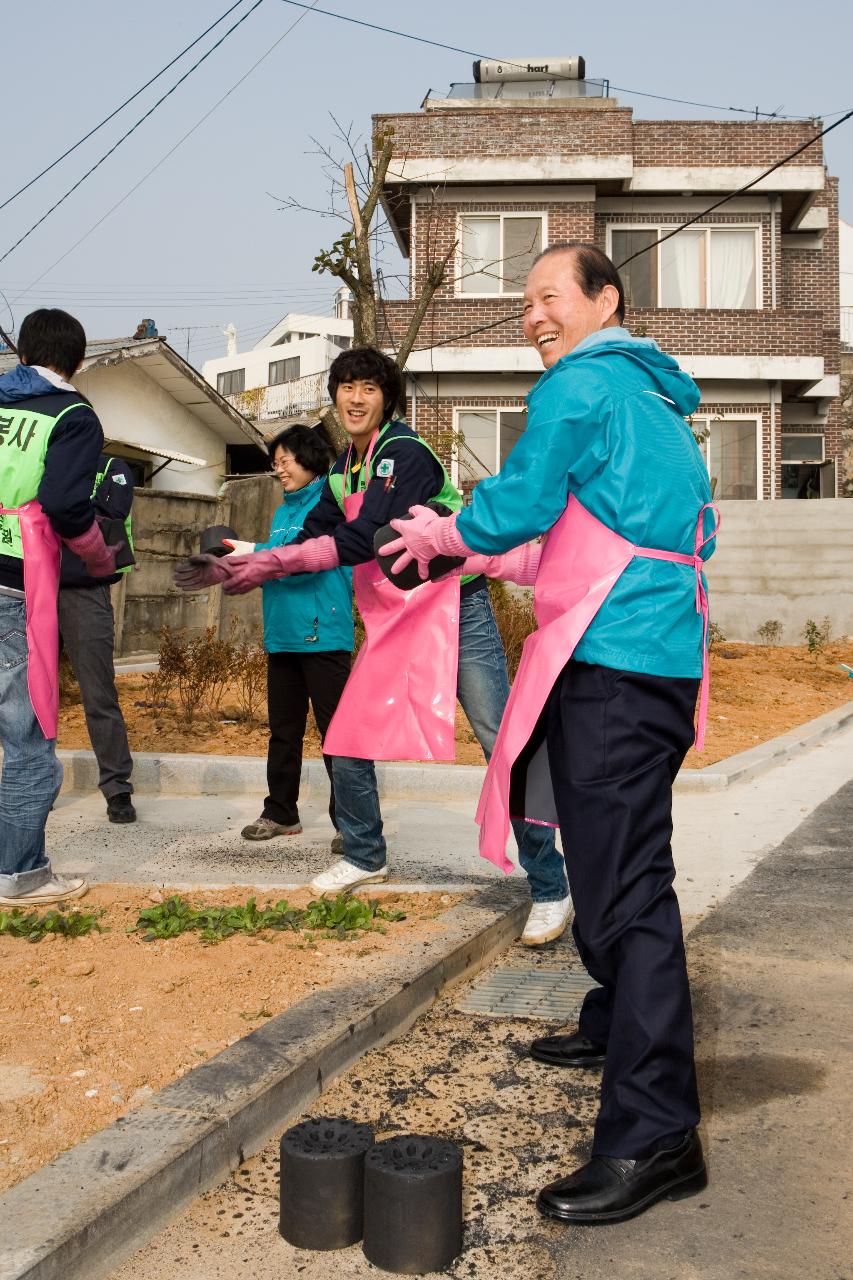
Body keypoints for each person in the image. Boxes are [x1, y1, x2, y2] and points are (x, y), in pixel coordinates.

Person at [383, 244, 717, 1224]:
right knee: (616, 856)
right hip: (650, 649)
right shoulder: (649, 402)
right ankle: (616, 1022)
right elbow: (596, 534)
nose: (532, 314)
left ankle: (656, 1134)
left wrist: (449, 532)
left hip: (615, 659)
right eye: (523, 300)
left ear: (603, 299)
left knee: (623, 891)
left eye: (549, 295)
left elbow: (521, 506)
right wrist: (482, 550)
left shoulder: (580, 385)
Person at [175, 347, 570, 946]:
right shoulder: (343, 469)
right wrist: (246, 557)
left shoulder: (402, 454)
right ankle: (364, 853)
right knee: (349, 732)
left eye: (368, 387)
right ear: (334, 398)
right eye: (346, 387)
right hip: (394, 617)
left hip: (454, 606)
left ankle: (552, 884)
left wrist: (272, 563)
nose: (356, 398)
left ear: (387, 397)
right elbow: (311, 538)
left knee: (503, 738)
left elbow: (363, 538)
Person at [0, 309, 120, 907]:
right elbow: (67, 505)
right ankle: (21, 872)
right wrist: (98, 557)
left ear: (23, 352)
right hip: (15, 585)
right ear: (76, 362)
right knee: (28, 736)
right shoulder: (73, 415)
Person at [225, 423, 353, 846]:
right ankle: (280, 812)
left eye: (285, 461)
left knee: (336, 732)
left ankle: (351, 821)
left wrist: (252, 555)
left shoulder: (330, 503)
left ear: (309, 459)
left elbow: (303, 560)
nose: (279, 470)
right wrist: (241, 562)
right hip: (282, 635)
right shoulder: (282, 511)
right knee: (283, 730)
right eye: (274, 463)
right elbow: (275, 565)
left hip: (323, 634)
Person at [58, 454, 136, 823]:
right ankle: (34, 783)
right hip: (30, 586)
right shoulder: (41, 465)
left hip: (85, 591)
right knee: (26, 695)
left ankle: (117, 786)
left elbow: (112, 510)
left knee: (98, 693)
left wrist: (57, 509)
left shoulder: (112, 467)